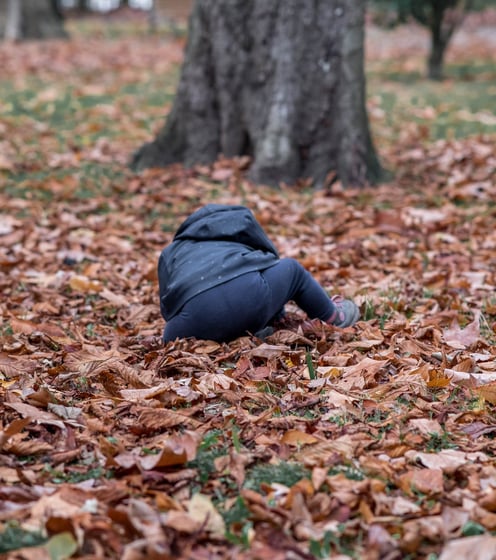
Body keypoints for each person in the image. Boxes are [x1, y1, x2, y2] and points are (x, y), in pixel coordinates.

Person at [158, 204, 360, 343]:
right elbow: (269, 259)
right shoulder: (236, 228)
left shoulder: (172, 251)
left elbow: (168, 305)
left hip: (193, 320)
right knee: (292, 269)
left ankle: (238, 334)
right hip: (249, 297)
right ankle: (332, 315)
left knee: (170, 337)